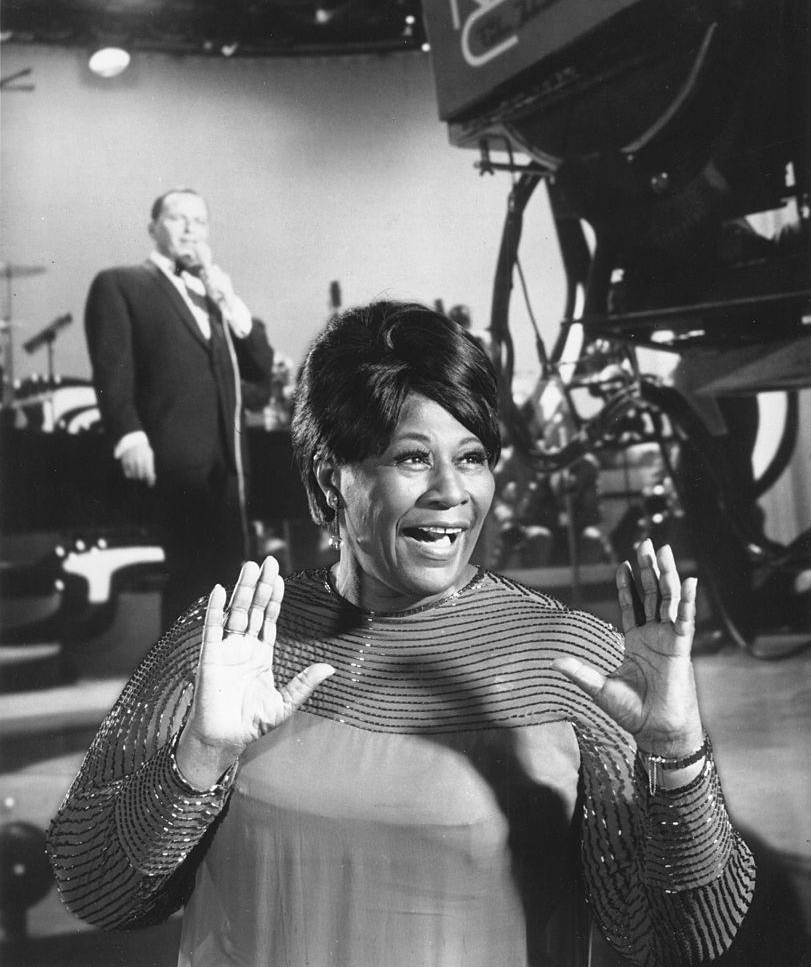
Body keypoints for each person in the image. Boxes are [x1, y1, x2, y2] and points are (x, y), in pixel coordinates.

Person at [48, 300, 755, 967]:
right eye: (412, 457)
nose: (450, 489)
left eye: (472, 456)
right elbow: (97, 888)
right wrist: (199, 756)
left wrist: (675, 759)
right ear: (331, 481)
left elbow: (682, 936)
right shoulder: (232, 646)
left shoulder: (568, 663)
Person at [84, 189, 274, 629]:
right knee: (188, 579)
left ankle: (221, 682)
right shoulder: (121, 283)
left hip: (227, 465)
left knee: (229, 580)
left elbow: (260, 363)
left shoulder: (213, 297)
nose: (191, 229)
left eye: (200, 221)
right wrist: (128, 433)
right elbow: (113, 370)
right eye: (178, 218)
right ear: (153, 228)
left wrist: (225, 295)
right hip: (171, 460)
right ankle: (176, 686)